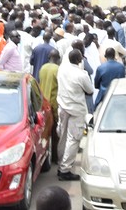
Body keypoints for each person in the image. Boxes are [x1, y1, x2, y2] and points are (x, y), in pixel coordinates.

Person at [56, 48, 94, 181]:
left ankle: (61, 163)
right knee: (73, 139)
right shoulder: (81, 74)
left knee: (63, 137)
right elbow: (90, 90)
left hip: (62, 107)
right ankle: (65, 169)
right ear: (79, 60)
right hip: (76, 109)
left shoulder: (61, 69)